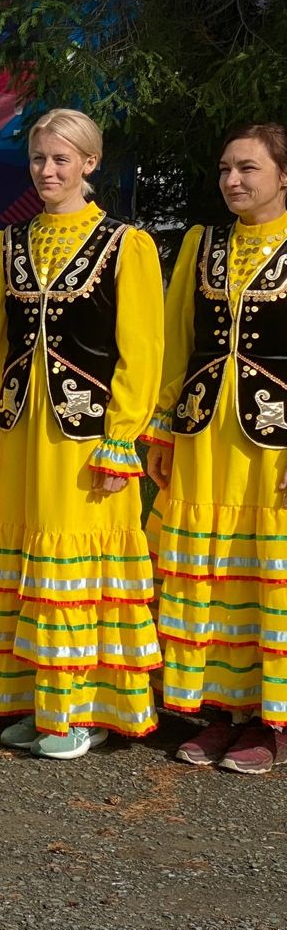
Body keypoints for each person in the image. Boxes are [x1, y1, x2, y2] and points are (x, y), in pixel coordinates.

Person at [0, 109, 164, 760]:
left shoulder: (126, 244)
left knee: (74, 571)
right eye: (38, 158)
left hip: (86, 438)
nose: (47, 170)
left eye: (61, 159)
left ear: (90, 163)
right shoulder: (6, 244)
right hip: (22, 429)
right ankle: (37, 702)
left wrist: (122, 437)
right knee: (28, 563)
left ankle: (80, 710)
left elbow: (141, 350)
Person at [146, 123, 287, 773]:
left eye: (248, 168)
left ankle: (271, 721)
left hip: (274, 444)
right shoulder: (202, 245)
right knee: (211, 570)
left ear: (283, 176)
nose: (232, 179)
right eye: (226, 168)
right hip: (204, 435)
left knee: (269, 573)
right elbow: (176, 339)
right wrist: (162, 428)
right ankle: (221, 711)